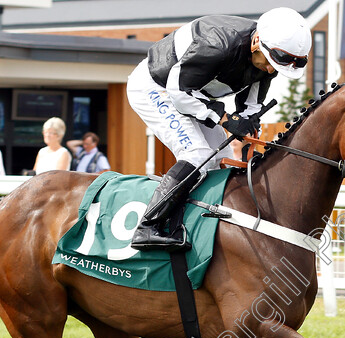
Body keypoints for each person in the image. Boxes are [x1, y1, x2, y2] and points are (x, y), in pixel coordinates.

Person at [126, 7, 311, 250]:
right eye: (270, 63)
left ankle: (201, 224)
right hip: (157, 87)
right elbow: (178, 92)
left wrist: (248, 121)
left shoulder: (270, 61)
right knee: (198, 155)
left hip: (194, 92)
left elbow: (250, 105)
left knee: (222, 160)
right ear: (256, 42)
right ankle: (148, 227)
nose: (270, 71)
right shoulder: (218, 44)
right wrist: (226, 119)